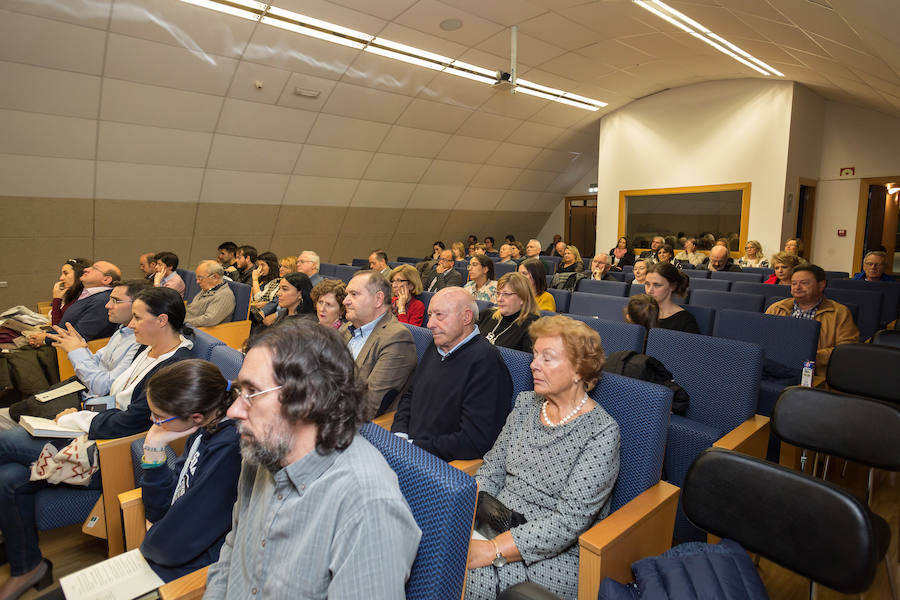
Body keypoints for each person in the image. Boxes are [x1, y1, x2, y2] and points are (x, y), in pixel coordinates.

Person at [204, 320, 420, 600]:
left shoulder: (366, 504)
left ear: (308, 401)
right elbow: (233, 550)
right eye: (237, 393)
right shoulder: (260, 451)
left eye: (251, 394)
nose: (233, 410)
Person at [0, 287, 193, 600]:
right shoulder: (149, 348)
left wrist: (75, 421)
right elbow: (116, 397)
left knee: (7, 442)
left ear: (162, 321)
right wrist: (83, 412)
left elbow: (129, 423)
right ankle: (28, 567)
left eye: (137, 318)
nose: (130, 325)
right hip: (95, 435)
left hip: (109, 457)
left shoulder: (172, 368)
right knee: (8, 477)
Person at [464, 315, 619, 600]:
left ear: (578, 371)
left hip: (551, 548)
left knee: (469, 577)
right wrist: (468, 514)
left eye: (547, 358)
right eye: (535, 355)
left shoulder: (602, 432)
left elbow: (568, 523)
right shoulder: (526, 404)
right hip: (494, 517)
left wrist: (493, 549)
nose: (533, 364)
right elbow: (493, 468)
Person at [135, 359, 241, 581]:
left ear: (196, 417)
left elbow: (175, 540)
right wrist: (153, 452)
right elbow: (162, 507)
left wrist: (156, 531)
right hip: (174, 546)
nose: (152, 421)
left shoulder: (229, 449)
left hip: (196, 564)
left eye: (160, 417)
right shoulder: (207, 425)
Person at [0, 280, 148, 429]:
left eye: (115, 300)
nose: (107, 305)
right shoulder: (122, 332)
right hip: (81, 392)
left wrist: (77, 351)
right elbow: (96, 363)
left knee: (8, 422)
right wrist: (80, 350)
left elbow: (103, 387)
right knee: (15, 410)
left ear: (138, 305)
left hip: (93, 406)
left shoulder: (140, 344)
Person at [392, 287, 512, 461]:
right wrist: (399, 433)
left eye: (439, 315)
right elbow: (410, 395)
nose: (430, 324)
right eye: (430, 314)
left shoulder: (487, 363)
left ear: (466, 317)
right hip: (408, 448)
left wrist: (413, 447)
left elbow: (476, 441)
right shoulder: (437, 346)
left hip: (440, 466)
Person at [340, 271, 417, 418]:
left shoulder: (396, 338)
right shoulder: (347, 328)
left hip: (358, 425)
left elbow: (369, 405)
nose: (345, 301)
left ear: (378, 299)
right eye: (347, 294)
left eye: (354, 294)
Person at [766, 264, 859, 369]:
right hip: (776, 367)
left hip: (815, 372)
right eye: (794, 283)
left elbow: (845, 350)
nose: (797, 287)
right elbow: (763, 339)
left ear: (821, 285)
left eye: (804, 283)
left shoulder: (839, 313)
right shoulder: (776, 308)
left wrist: (809, 357)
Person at [476, 272, 540, 352]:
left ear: (522, 298)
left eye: (506, 294)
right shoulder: (486, 314)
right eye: (498, 293)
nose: (499, 299)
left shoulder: (532, 326)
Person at [644, 262, 699, 334]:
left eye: (657, 285)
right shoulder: (641, 312)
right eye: (647, 284)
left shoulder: (685, 321)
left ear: (672, 286)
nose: (649, 290)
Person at [185, 261, 235, 327]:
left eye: (200, 278)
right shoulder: (207, 288)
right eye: (197, 278)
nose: (197, 282)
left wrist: (183, 322)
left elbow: (209, 320)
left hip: (199, 331)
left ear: (215, 277)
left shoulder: (225, 295)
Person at [49, 258, 90, 326]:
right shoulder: (74, 295)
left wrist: (56, 300)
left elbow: (58, 328)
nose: (61, 278)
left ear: (79, 275)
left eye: (66, 273)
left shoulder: (83, 299)